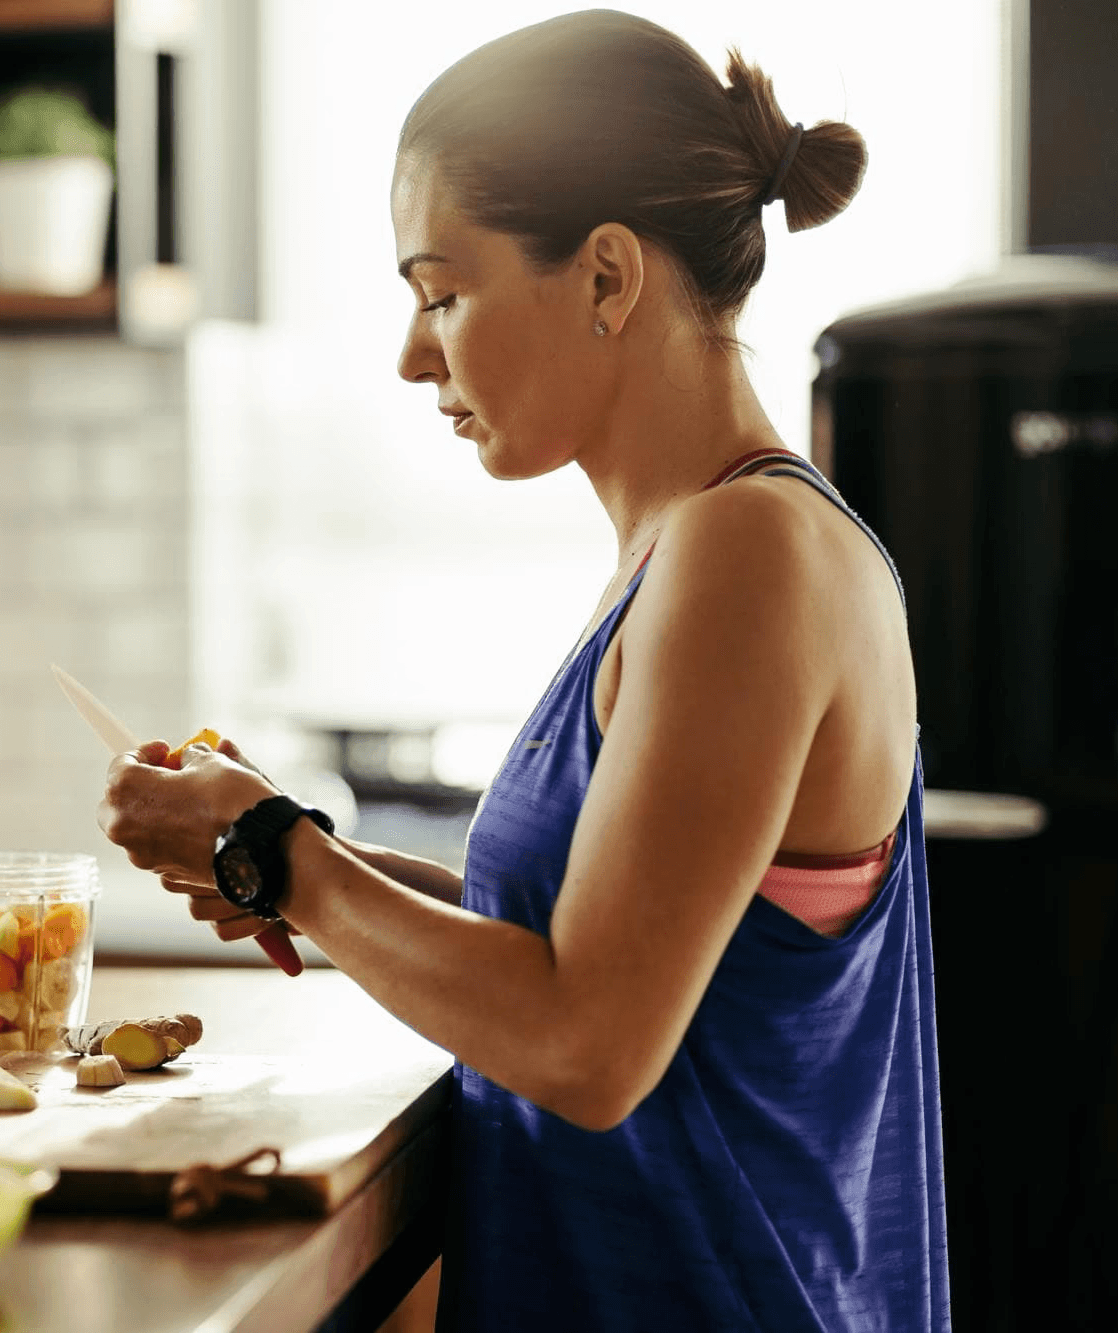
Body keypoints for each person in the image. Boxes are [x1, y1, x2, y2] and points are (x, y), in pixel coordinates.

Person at [96, 10, 947, 1330]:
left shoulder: (749, 556)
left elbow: (587, 1044)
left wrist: (280, 857)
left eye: (442, 292)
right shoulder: (689, 553)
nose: (412, 353)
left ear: (607, 276)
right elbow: (582, 942)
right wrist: (292, 851)